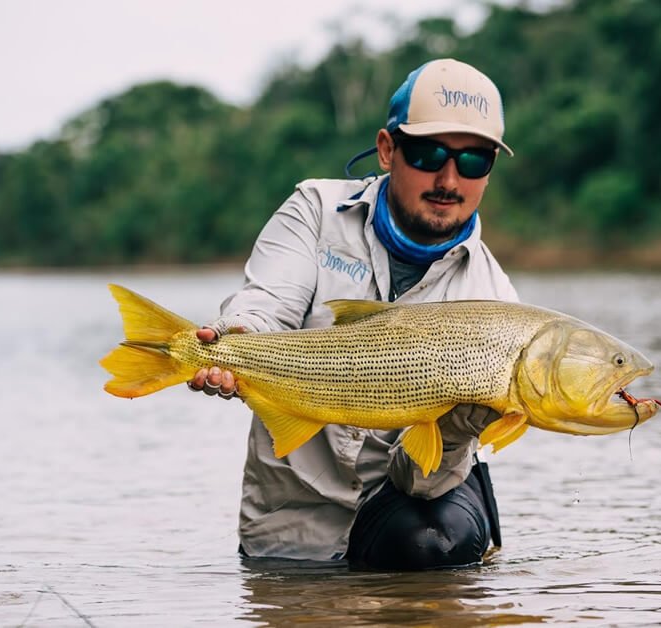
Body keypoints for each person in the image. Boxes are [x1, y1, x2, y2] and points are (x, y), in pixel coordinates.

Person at [187, 58, 520, 570]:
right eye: (430, 153)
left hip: (416, 499)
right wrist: (234, 341)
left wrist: (458, 426)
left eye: (474, 161)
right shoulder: (314, 210)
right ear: (387, 150)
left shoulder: (494, 300)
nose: (450, 179)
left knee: (430, 544)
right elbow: (264, 307)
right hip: (293, 516)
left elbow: (420, 480)